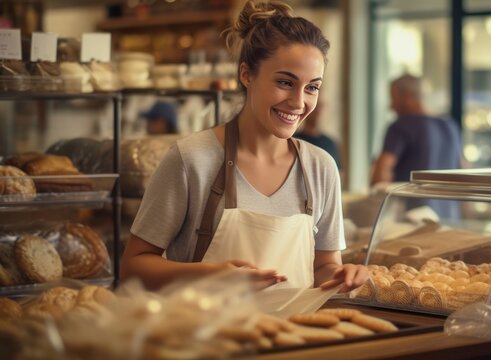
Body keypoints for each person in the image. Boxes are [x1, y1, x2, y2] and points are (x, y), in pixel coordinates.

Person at [121, 0, 368, 293]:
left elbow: (324, 266)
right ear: (246, 74)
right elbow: (132, 268)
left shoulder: (320, 168)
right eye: (285, 82)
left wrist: (342, 275)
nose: (299, 102)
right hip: (205, 334)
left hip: (297, 335)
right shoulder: (191, 159)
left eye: (312, 87)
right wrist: (208, 275)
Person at [371, 74, 462, 219]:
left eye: (393, 98)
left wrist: (375, 202)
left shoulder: (402, 125)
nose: (391, 106)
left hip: (412, 220)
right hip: (449, 218)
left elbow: (383, 170)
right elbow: (462, 169)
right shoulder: (450, 126)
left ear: (407, 97)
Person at [295, 100, 342, 170]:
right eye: (315, 108)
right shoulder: (294, 141)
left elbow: (338, 172)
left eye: (321, 107)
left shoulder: (330, 143)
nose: (318, 111)